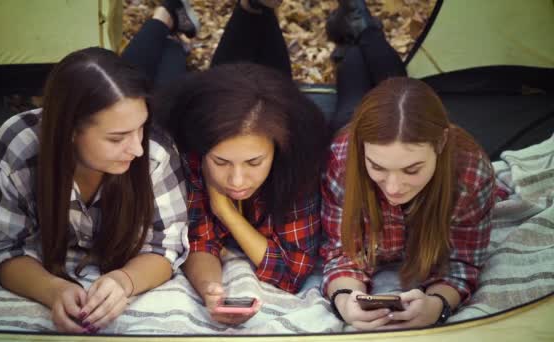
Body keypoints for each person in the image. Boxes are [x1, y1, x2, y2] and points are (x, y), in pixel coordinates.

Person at [122, 0, 330, 326]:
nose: (236, 180)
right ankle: (165, 16)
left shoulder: (296, 159)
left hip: (263, 100)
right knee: (134, 82)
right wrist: (211, 291)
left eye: (253, 162)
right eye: (220, 162)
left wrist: (226, 213)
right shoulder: (184, 151)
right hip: (190, 102)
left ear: (278, 150)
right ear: (202, 151)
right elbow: (197, 241)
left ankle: (252, 7)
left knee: (267, 83)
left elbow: (292, 272)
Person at [0, 47, 189, 334]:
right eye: (117, 138)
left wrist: (125, 281)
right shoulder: (19, 143)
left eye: (141, 129)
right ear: (71, 130)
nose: (137, 148)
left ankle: (173, 43)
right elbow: (1, 247)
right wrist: (52, 290)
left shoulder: (156, 151)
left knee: (173, 60)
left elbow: (166, 247)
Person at [320, 0, 497, 330]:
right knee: (356, 94)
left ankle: (362, 32)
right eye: (377, 167)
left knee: (399, 91)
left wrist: (436, 305)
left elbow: (463, 261)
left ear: (441, 144)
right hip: (351, 123)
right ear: (361, 152)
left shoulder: (471, 173)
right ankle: (359, 37)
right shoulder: (344, 155)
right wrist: (346, 300)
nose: (392, 187)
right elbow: (341, 251)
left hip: (394, 120)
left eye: (412, 169)